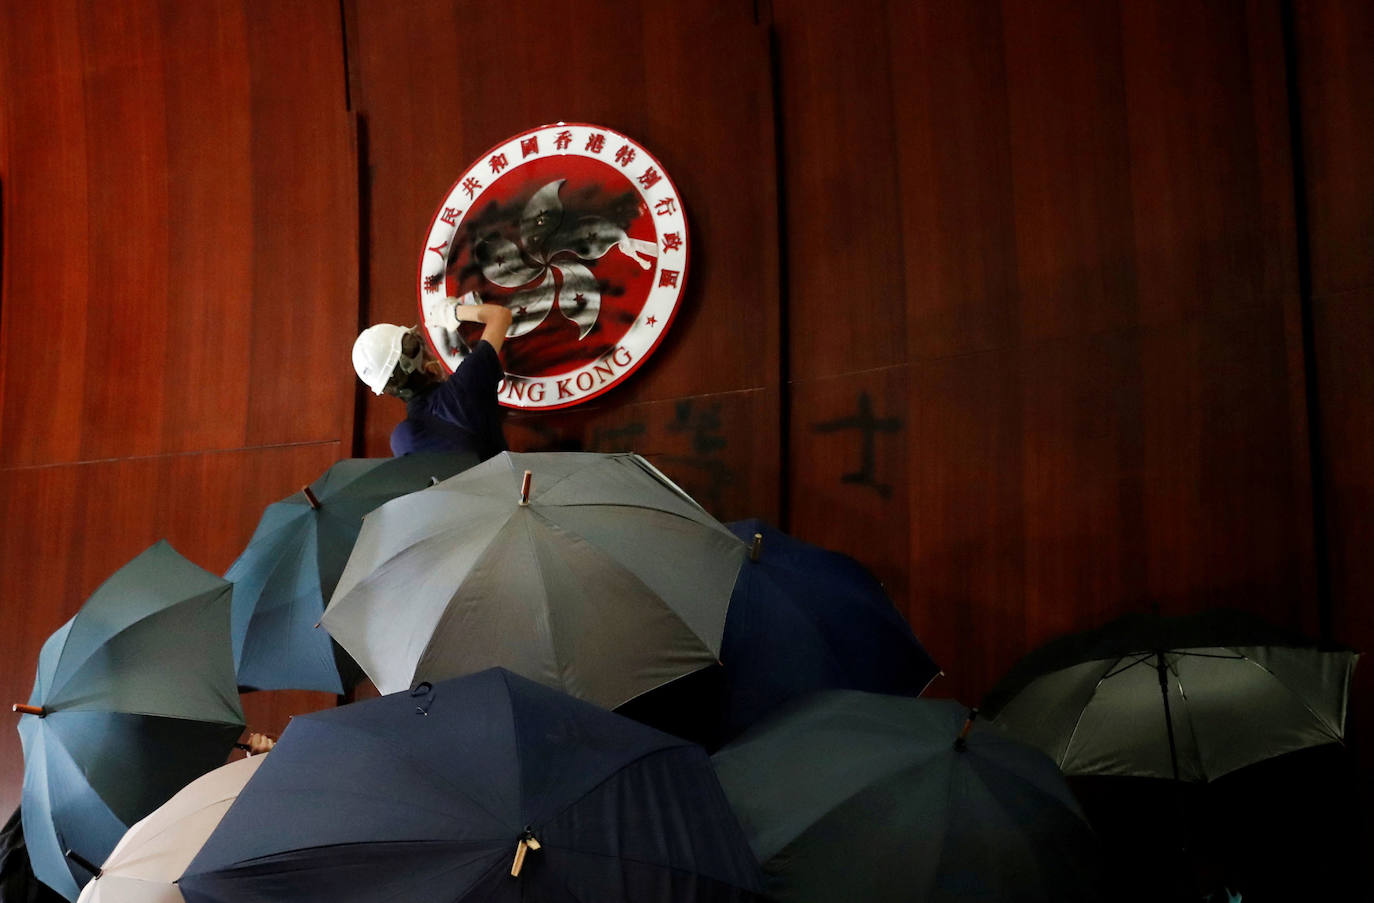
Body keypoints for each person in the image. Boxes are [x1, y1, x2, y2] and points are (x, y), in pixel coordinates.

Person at [352, 292, 513, 459]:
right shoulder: (464, 385)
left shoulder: (403, 439)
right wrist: (452, 312)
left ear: (387, 389)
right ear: (420, 361)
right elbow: (500, 316)